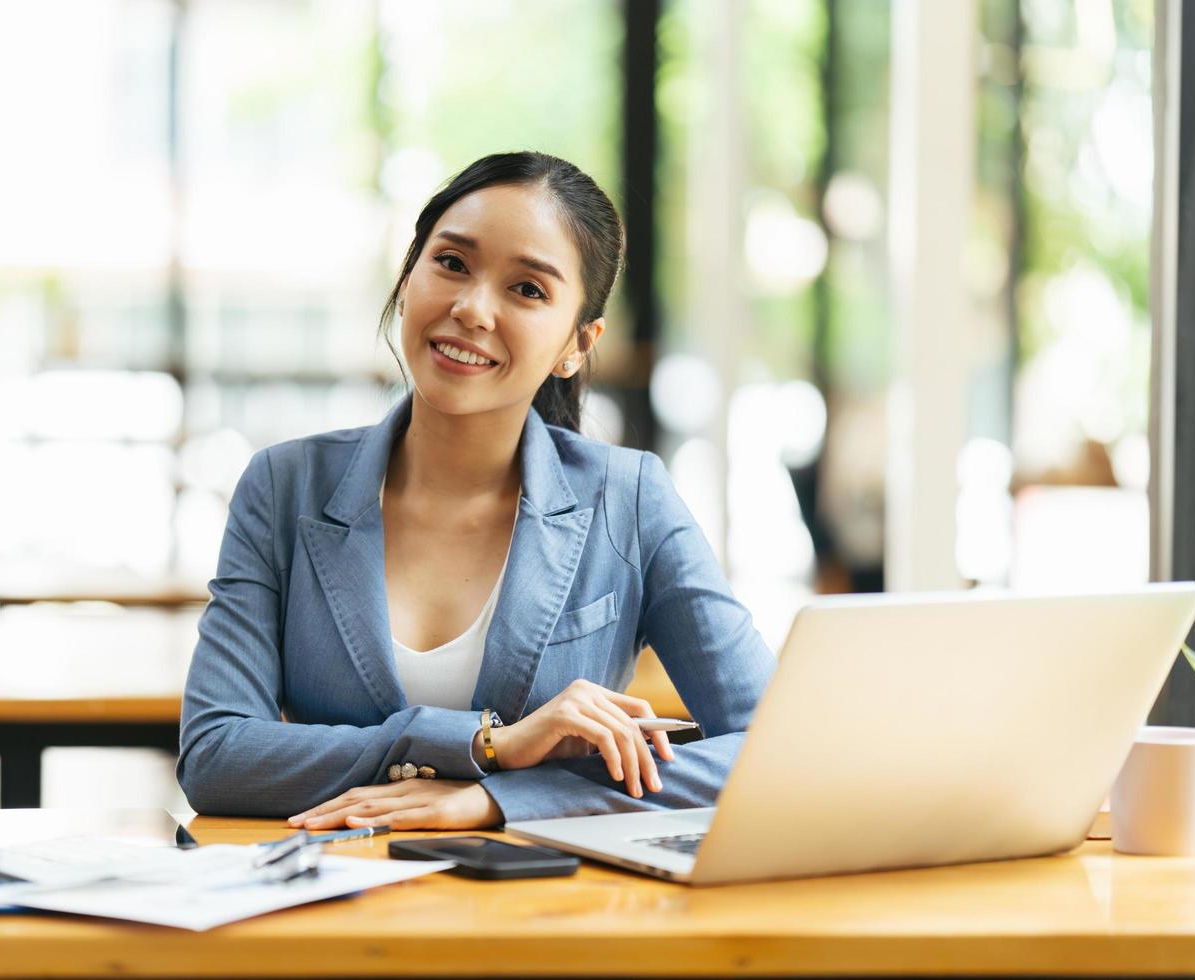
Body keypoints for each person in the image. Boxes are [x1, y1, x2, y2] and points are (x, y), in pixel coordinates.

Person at [177, 151, 774, 830]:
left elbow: (774, 750)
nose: (472, 309)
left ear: (578, 344)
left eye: (528, 290)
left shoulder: (629, 498)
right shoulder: (286, 486)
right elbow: (216, 753)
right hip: (328, 906)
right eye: (453, 264)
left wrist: (499, 799)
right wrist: (486, 744)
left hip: (544, 912)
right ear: (408, 277)